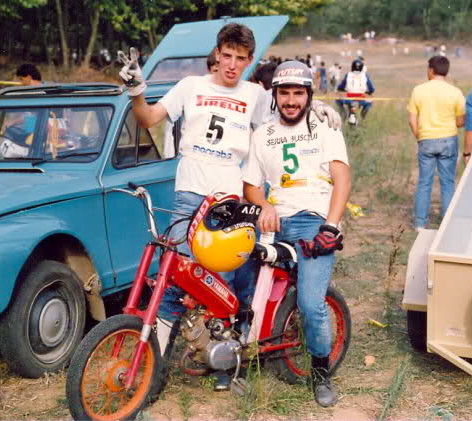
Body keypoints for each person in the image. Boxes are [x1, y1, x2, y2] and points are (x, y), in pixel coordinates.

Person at [117, 23, 341, 391]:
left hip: (232, 201)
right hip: (190, 195)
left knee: (235, 283)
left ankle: (228, 360)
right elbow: (148, 119)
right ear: (216, 54)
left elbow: (289, 106)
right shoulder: (191, 86)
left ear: (250, 61)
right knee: (176, 277)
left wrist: (319, 107)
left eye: (240, 59)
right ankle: (150, 373)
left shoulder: (254, 93)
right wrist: (135, 92)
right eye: (227, 56)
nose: (232, 65)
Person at [243, 60, 351, 408]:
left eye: (298, 93)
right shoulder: (262, 135)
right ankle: (241, 357)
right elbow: (250, 186)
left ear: (308, 96)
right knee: (240, 285)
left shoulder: (326, 129)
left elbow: (342, 180)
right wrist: (264, 206)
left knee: (309, 303)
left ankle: (320, 372)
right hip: (274, 222)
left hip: (312, 220)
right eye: (285, 93)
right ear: (274, 95)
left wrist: (331, 225)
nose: (291, 100)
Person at [407, 56, 465, 231]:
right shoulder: (455, 92)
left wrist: (420, 136)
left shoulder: (418, 90)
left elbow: (412, 120)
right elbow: (461, 121)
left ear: (431, 70)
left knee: (425, 182)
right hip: (448, 139)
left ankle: (420, 223)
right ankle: (446, 223)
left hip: (426, 139)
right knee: (447, 182)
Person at [336, 59, 375, 124]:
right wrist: (369, 92)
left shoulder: (348, 74)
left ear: (352, 66)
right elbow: (371, 88)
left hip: (349, 98)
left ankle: (344, 115)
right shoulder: (365, 75)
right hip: (361, 99)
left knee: (338, 101)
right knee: (369, 103)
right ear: (361, 67)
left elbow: (341, 86)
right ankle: (363, 116)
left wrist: (341, 89)